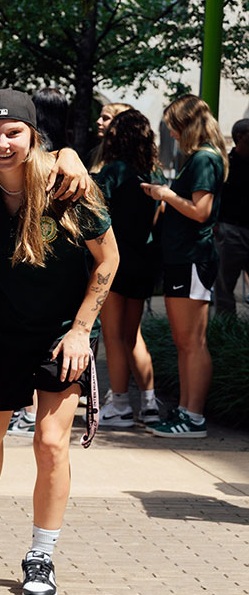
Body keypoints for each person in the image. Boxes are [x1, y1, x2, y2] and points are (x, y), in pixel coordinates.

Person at [0, 90, 118, 595]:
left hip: (61, 334)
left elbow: (109, 260)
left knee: (50, 444)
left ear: (33, 135)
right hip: (5, 330)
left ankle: (42, 553)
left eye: (14, 133)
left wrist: (80, 330)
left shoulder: (69, 186)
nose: (2, 143)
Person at [141, 95, 229, 438]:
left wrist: (164, 195)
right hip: (185, 259)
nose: (173, 135)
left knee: (191, 341)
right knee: (186, 342)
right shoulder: (202, 157)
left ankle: (193, 415)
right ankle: (186, 410)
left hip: (192, 258)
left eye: (175, 127)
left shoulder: (204, 158)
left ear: (188, 124)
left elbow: (201, 211)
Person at [94, 109, 162, 427]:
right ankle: (149, 404)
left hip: (115, 261)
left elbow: (95, 216)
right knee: (132, 335)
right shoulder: (153, 172)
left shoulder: (113, 171)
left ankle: (119, 405)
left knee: (113, 337)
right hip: (144, 260)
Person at [214, 118, 249, 317]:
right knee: (225, 287)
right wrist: (217, 226)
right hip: (230, 231)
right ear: (240, 136)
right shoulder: (226, 165)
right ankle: (226, 333)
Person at [88, 102, 132, 171]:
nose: (98, 121)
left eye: (105, 118)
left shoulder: (131, 158)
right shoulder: (94, 153)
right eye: (100, 117)